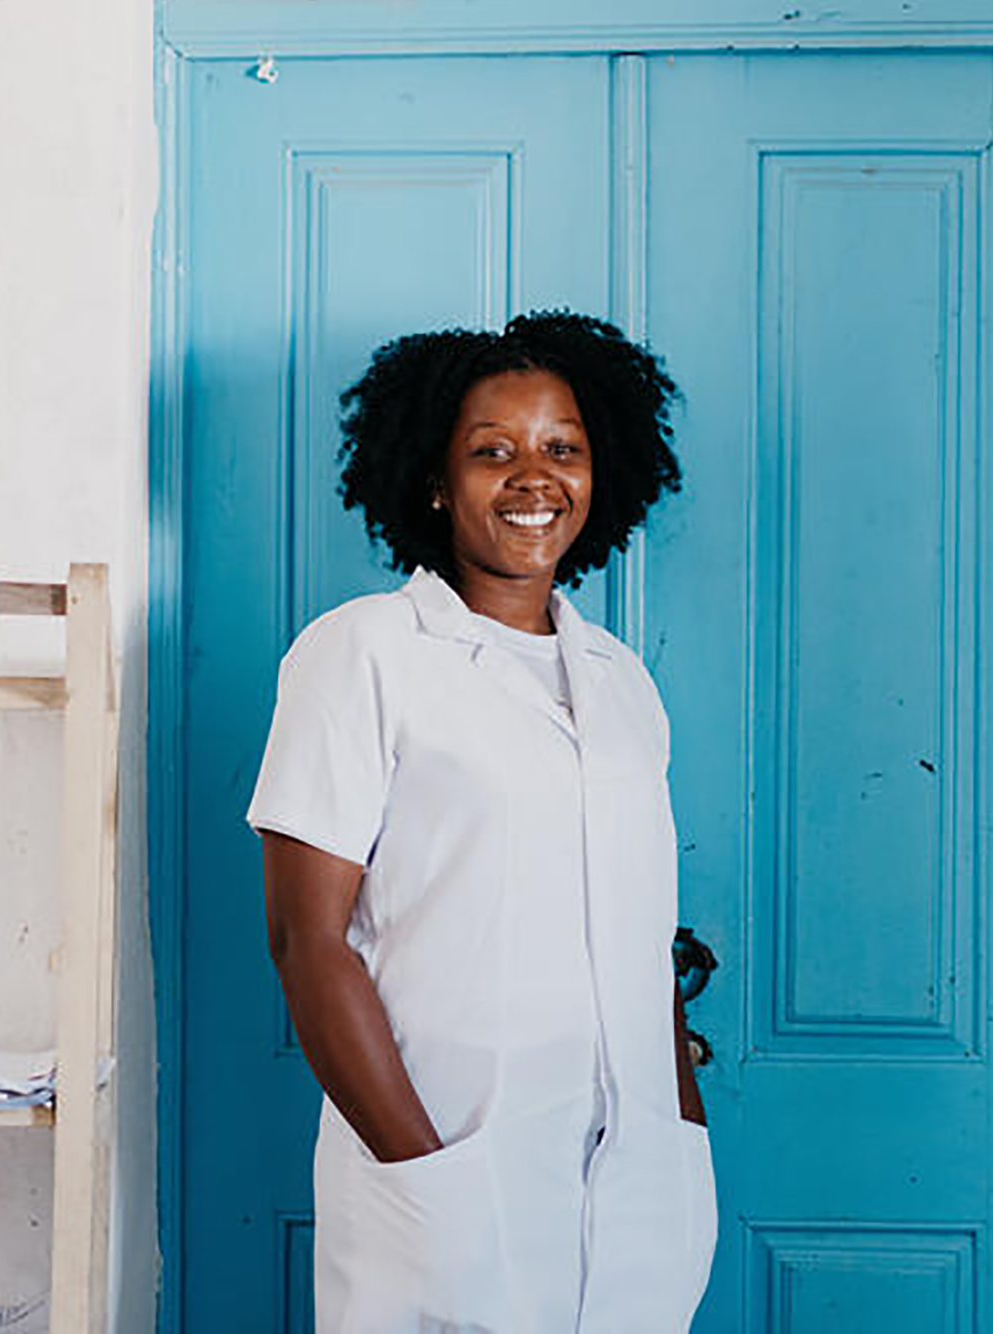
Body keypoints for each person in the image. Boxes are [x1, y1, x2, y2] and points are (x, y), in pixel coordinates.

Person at [244, 311, 717, 1332]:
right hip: (446, 1169)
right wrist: (425, 1176)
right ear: (431, 476)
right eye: (490, 449)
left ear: (603, 474)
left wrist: (684, 1128)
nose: (531, 475)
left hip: (634, 1185)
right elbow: (305, 937)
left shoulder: (619, 679)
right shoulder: (363, 652)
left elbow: (639, 937)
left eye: (562, 448)